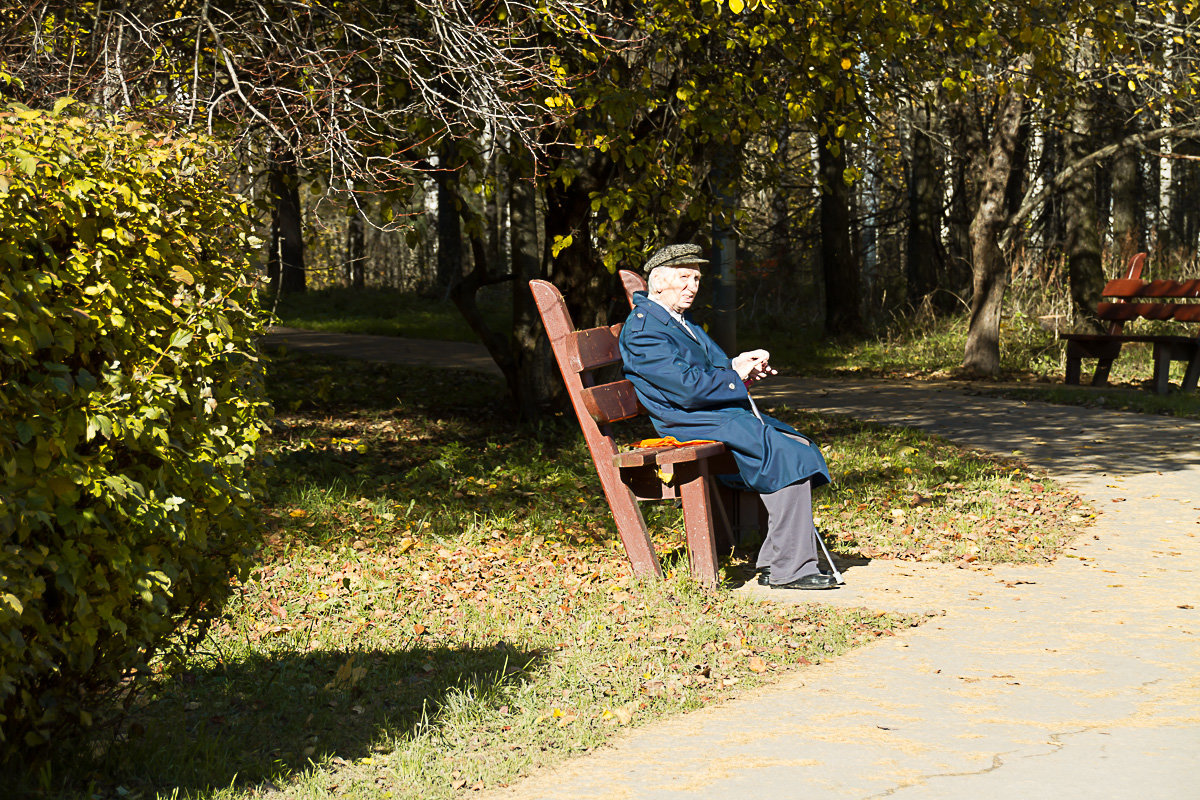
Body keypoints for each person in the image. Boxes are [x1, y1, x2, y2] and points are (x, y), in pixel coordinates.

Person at [618, 243, 838, 590]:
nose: (693, 286)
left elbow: (711, 366)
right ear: (658, 281)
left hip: (707, 413)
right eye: (684, 277)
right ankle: (790, 569)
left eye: (697, 279)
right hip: (687, 419)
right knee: (787, 452)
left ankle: (774, 561)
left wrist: (741, 365)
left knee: (793, 443)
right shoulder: (646, 329)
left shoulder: (674, 320)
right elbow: (687, 389)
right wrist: (736, 380)